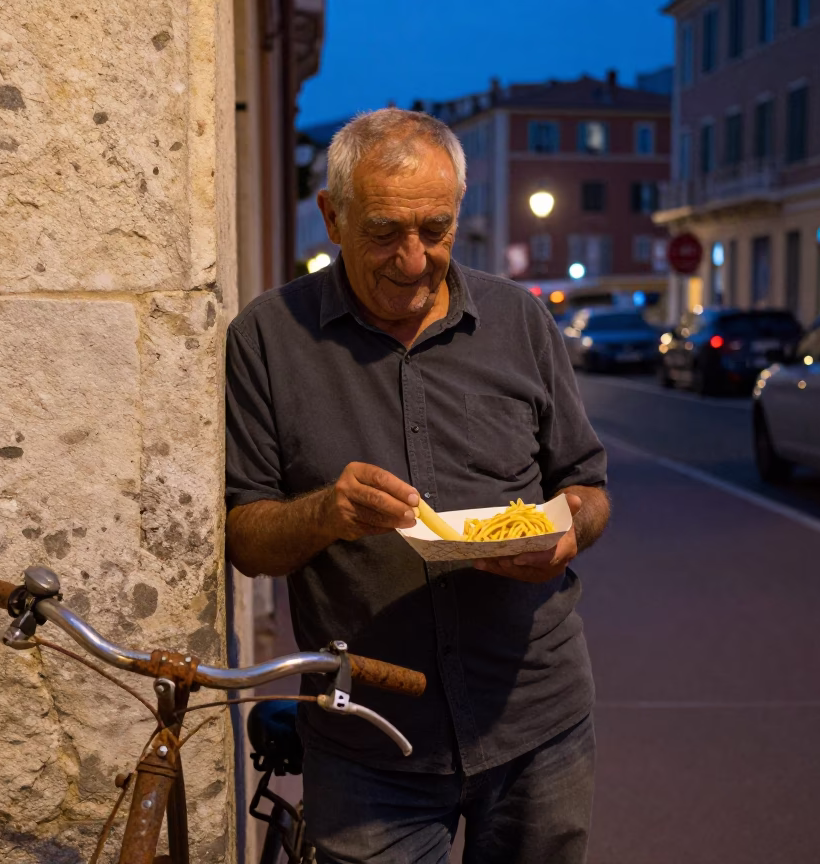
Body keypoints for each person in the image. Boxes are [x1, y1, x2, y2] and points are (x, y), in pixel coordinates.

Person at [224, 108, 610, 864]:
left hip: (537, 719)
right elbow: (245, 537)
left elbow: (587, 485)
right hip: (369, 739)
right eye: (383, 233)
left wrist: (567, 532)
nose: (412, 259)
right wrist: (326, 513)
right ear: (332, 216)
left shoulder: (521, 322)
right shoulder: (268, 338)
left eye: (435, 230)